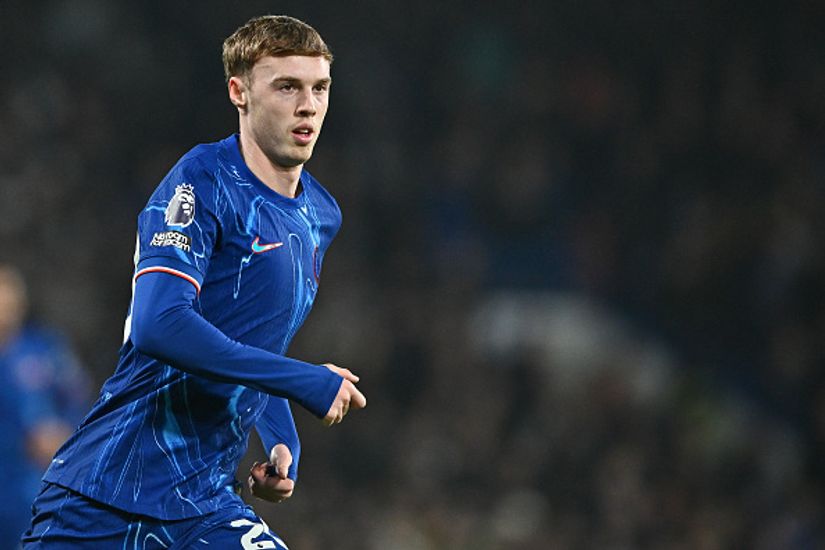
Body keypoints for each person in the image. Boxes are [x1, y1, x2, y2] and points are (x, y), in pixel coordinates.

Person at [22, 15, 366, 549]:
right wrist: (300, 380)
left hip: (204, 502)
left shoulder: (319, 215)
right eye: (287, 87)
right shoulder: (201, 180)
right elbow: (159, 324)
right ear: (239, 92)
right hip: (104, 498)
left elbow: (252, 342)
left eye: (319, 88)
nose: (308, 106)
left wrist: (281, 438)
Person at [0, 264, 91, 545]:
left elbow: (77, 398)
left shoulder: (45, 348)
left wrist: (64, 437)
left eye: (9, 299)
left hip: (37, 489)